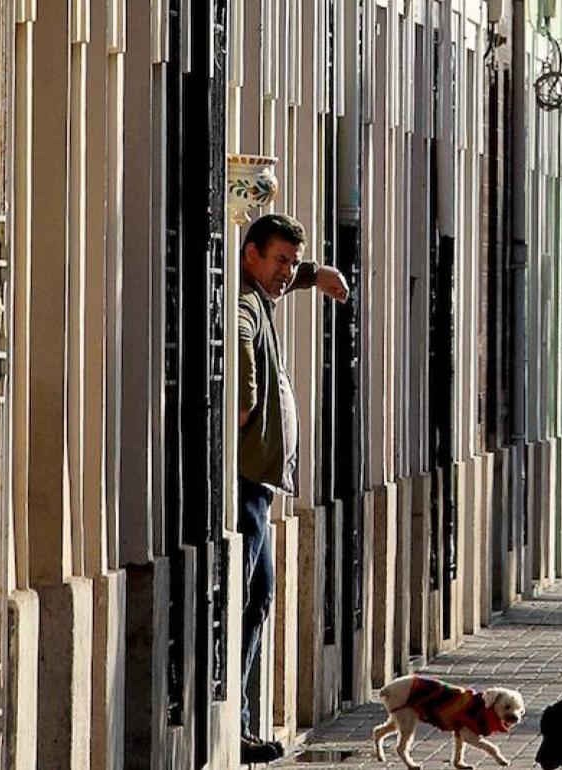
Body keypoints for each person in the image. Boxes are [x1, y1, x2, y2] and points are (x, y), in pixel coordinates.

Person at [238, 214, 349, 763]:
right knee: (248, 595)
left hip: (257, 482)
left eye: (290, 261)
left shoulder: (263, 293)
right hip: (244, 482)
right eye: (278, 259)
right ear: (250, 254)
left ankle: (240, 717)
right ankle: (235, 719)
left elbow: (283, 279)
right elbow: (237, 338)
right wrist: (246, 395)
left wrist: (314, 273)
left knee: (257, 595)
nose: (285, 270)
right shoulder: (245, 303)